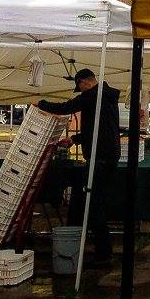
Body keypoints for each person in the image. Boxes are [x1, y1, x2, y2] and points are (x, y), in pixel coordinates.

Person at [36, 68, 121, 264]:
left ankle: (103, 252)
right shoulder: (107, 97)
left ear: (84, 82)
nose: (80, 90)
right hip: (109, 156)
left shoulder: (92, 95)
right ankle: (101, 250)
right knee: (94, 202)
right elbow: (99, 129)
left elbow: (66, 107)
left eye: (80, 87)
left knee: (93, 204)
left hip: (100, 158)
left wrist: (41, 104)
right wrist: (75, 139)